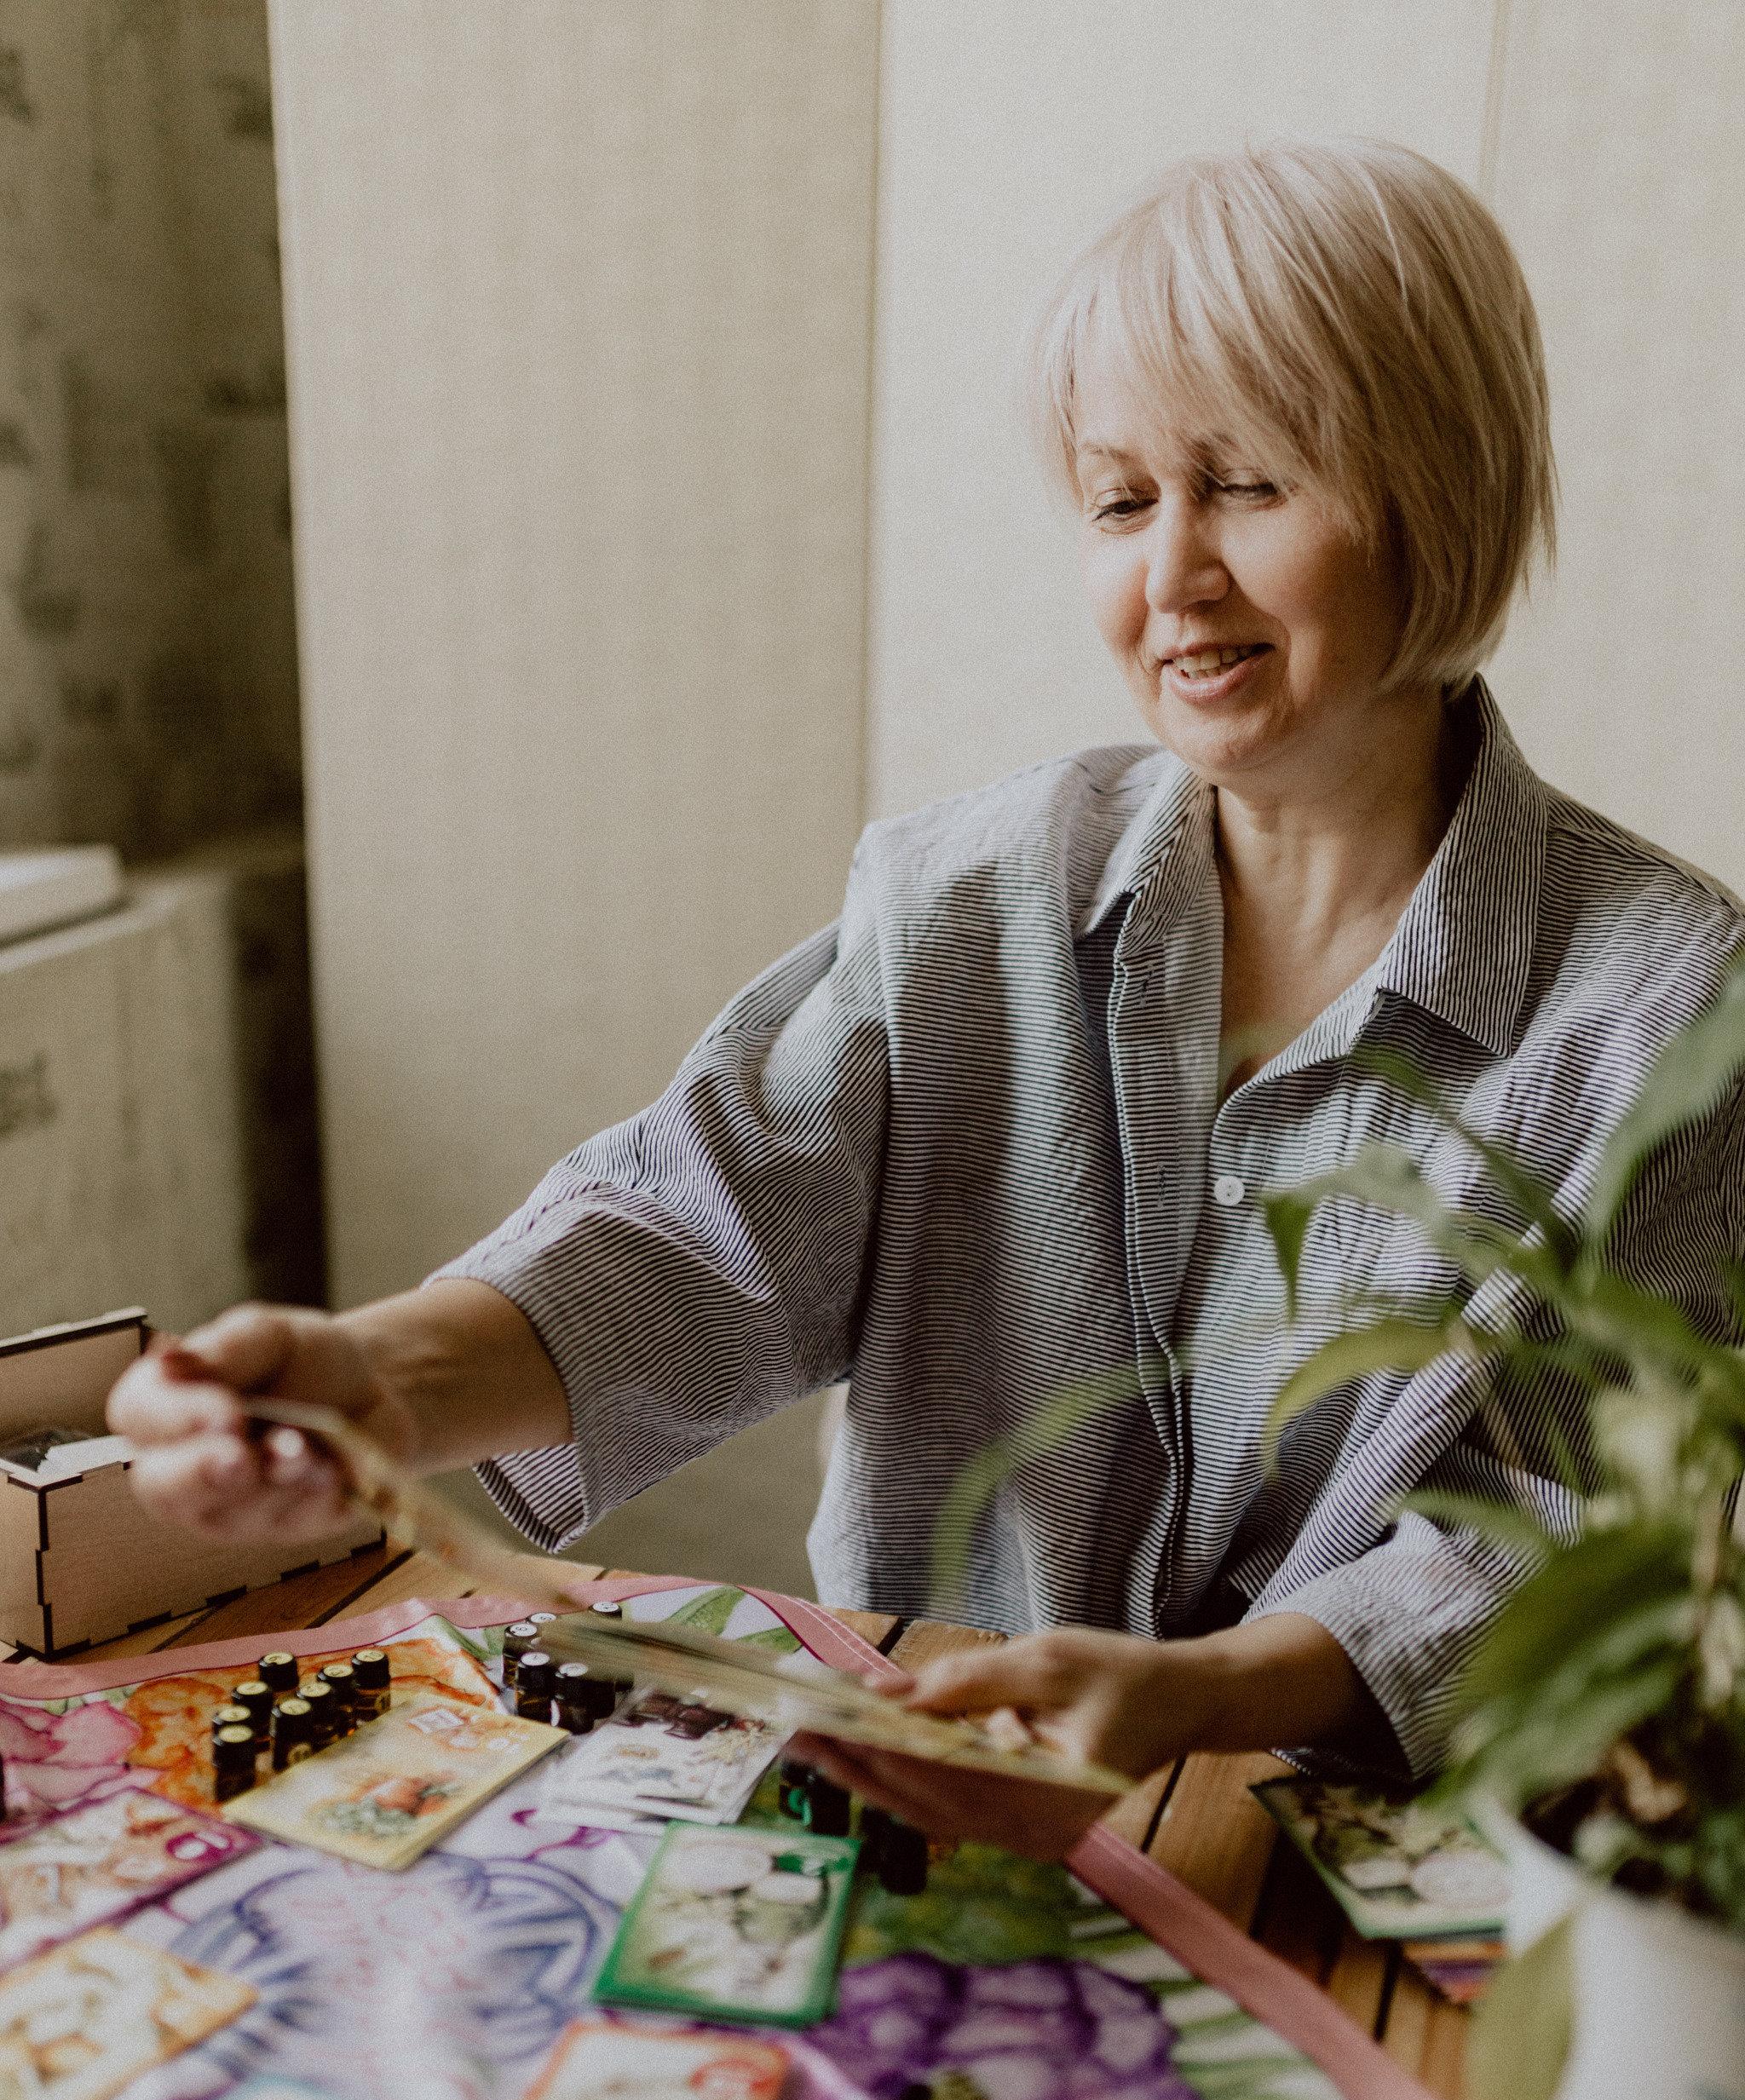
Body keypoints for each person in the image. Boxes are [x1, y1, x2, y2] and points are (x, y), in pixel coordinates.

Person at [112, 138, 1745, 1855]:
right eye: (1121, 503)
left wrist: (1206, 1695)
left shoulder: (1666, 1003)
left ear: (1437, 484)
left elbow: (1590, 1541)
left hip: (1370, 1852)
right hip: (930, 1808)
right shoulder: (966, 897)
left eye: (1247, 485)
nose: (1170, 573)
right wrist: (360, 1379)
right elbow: (685, 1241)